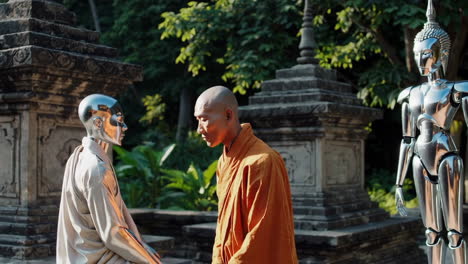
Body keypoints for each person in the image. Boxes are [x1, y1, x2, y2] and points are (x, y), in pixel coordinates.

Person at [395, 0, 467, 263]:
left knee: (455, 232)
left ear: (442, 54)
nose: (420, 59)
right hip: (419, 160)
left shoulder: (456, 90)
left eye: (427, 53)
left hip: (447, 156)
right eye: (417, 53)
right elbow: (406, 139)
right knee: (430, 231)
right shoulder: (411, 95)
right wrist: (399, 183)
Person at [194, 86, 298, 263]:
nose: (199, 129)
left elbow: (262, 234)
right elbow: (224, 228)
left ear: (228, 115)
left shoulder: (263, 161)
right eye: (197, 120)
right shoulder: (224, 161)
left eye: (204, 119)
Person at [56, 94, 161, 264]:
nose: (124, 127)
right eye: (118, 121)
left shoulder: (81, 156)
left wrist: (140, 244)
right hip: (98, 257)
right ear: (98, 123)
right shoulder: (96, 169)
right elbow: (112, 235)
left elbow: (119, 209)